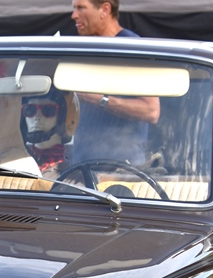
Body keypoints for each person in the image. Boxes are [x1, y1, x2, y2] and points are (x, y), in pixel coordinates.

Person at [70, 0, 160, 165]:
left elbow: (151, 111)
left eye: (81, 8)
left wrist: (100, 100)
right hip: (82, 165)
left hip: (123, 168)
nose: (74, 15)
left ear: (105, 9)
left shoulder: (133, 47)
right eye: (74, 8)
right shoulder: (85, 48)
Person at [20, 89, 79, 178]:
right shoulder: (14, 165)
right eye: (30, 109)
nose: (37, 117)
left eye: (48, 110)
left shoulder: (73, 177)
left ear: (63, 118)